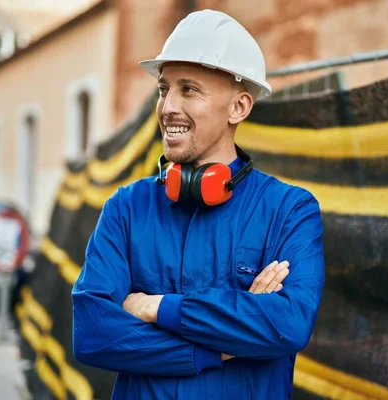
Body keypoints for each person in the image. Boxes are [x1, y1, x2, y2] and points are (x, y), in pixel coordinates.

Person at [71, 9, 325, 400]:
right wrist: (221, 345)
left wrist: (155, 308)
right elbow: (93, 333)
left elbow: (288, 324)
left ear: (238, 107)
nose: (168, 106)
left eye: (188, 89)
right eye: (163, 88)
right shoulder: (126, 207)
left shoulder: (289, 210)